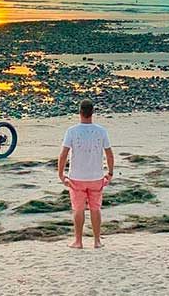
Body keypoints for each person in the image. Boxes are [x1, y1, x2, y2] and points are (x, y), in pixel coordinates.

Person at [57, 99, 114, 249]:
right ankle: (96, 241)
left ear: (80, 112)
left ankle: (78, 241)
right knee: (95, 208)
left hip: (77, 177)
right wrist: (110, 173)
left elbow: (63, 154)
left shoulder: (72, 131)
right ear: (92, 113)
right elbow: (109, 154)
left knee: (78, 209)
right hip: (96, 176)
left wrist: (61, 174)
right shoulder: (101, 131)